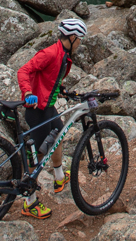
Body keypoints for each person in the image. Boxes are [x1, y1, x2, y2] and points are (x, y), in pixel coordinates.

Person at [15, 17, 87, 220]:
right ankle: (29, 203)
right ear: (72, 37)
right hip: (37, 110)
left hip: (48, 107)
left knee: (58, 137)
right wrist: (28, 92)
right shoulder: (50, 53)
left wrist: (60, 89)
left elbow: (52, 78)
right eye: (80, 39)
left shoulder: (64, 55)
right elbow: (24, 71)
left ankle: (59, 178)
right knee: (38, 155)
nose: (80, 43)